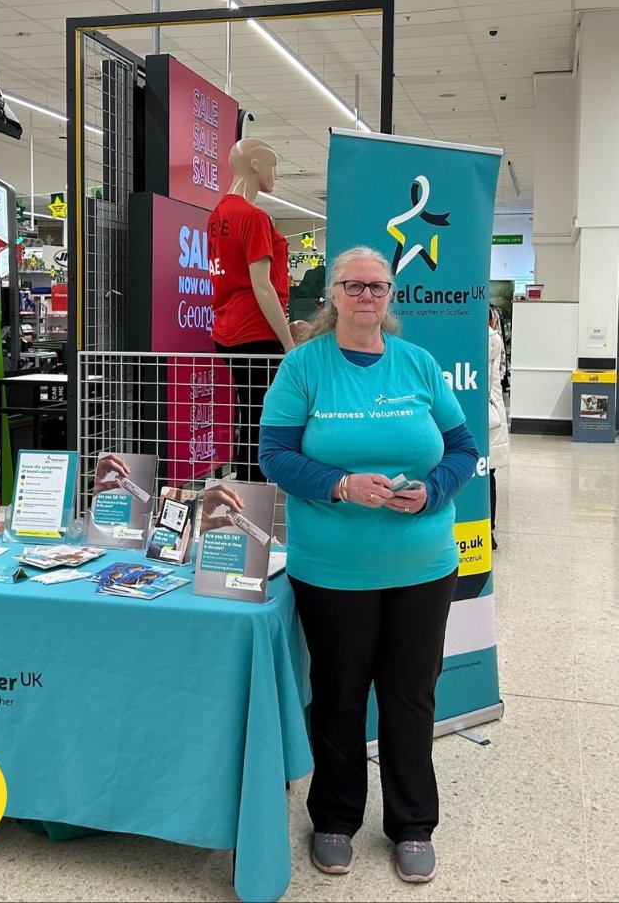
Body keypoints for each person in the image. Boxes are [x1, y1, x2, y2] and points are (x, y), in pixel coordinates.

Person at [257, 245, 478, 885]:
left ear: (390, 296)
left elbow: (462, 448)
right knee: (339, 697)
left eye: (377, 287)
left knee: (411, 697)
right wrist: (340, 485)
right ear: (333, 295)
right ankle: (334, 818)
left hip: (424, 564)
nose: (365, 297)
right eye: (353, 286)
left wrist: (434, 491)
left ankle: (413, 825)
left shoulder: (418, 364)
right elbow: (274, 455)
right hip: (332, 569)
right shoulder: (304, 367)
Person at [207, 138, 295, 482]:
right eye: (272, 164)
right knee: (264, 415)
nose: (274, 173)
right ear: (256, 164)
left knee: (250, 412)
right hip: (256, 332)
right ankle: (253, 493)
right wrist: (288, 342)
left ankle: (245, 489)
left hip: (227, 330)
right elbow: (261, 285)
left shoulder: (218, 215)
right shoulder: (254, 216)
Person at [488, 310, 510, 550]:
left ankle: (488, 530)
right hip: (492, 411)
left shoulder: (484, 338)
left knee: (486, 474)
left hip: (486, 413)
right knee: (488, 475)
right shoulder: (493, 337)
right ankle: (489, 531)